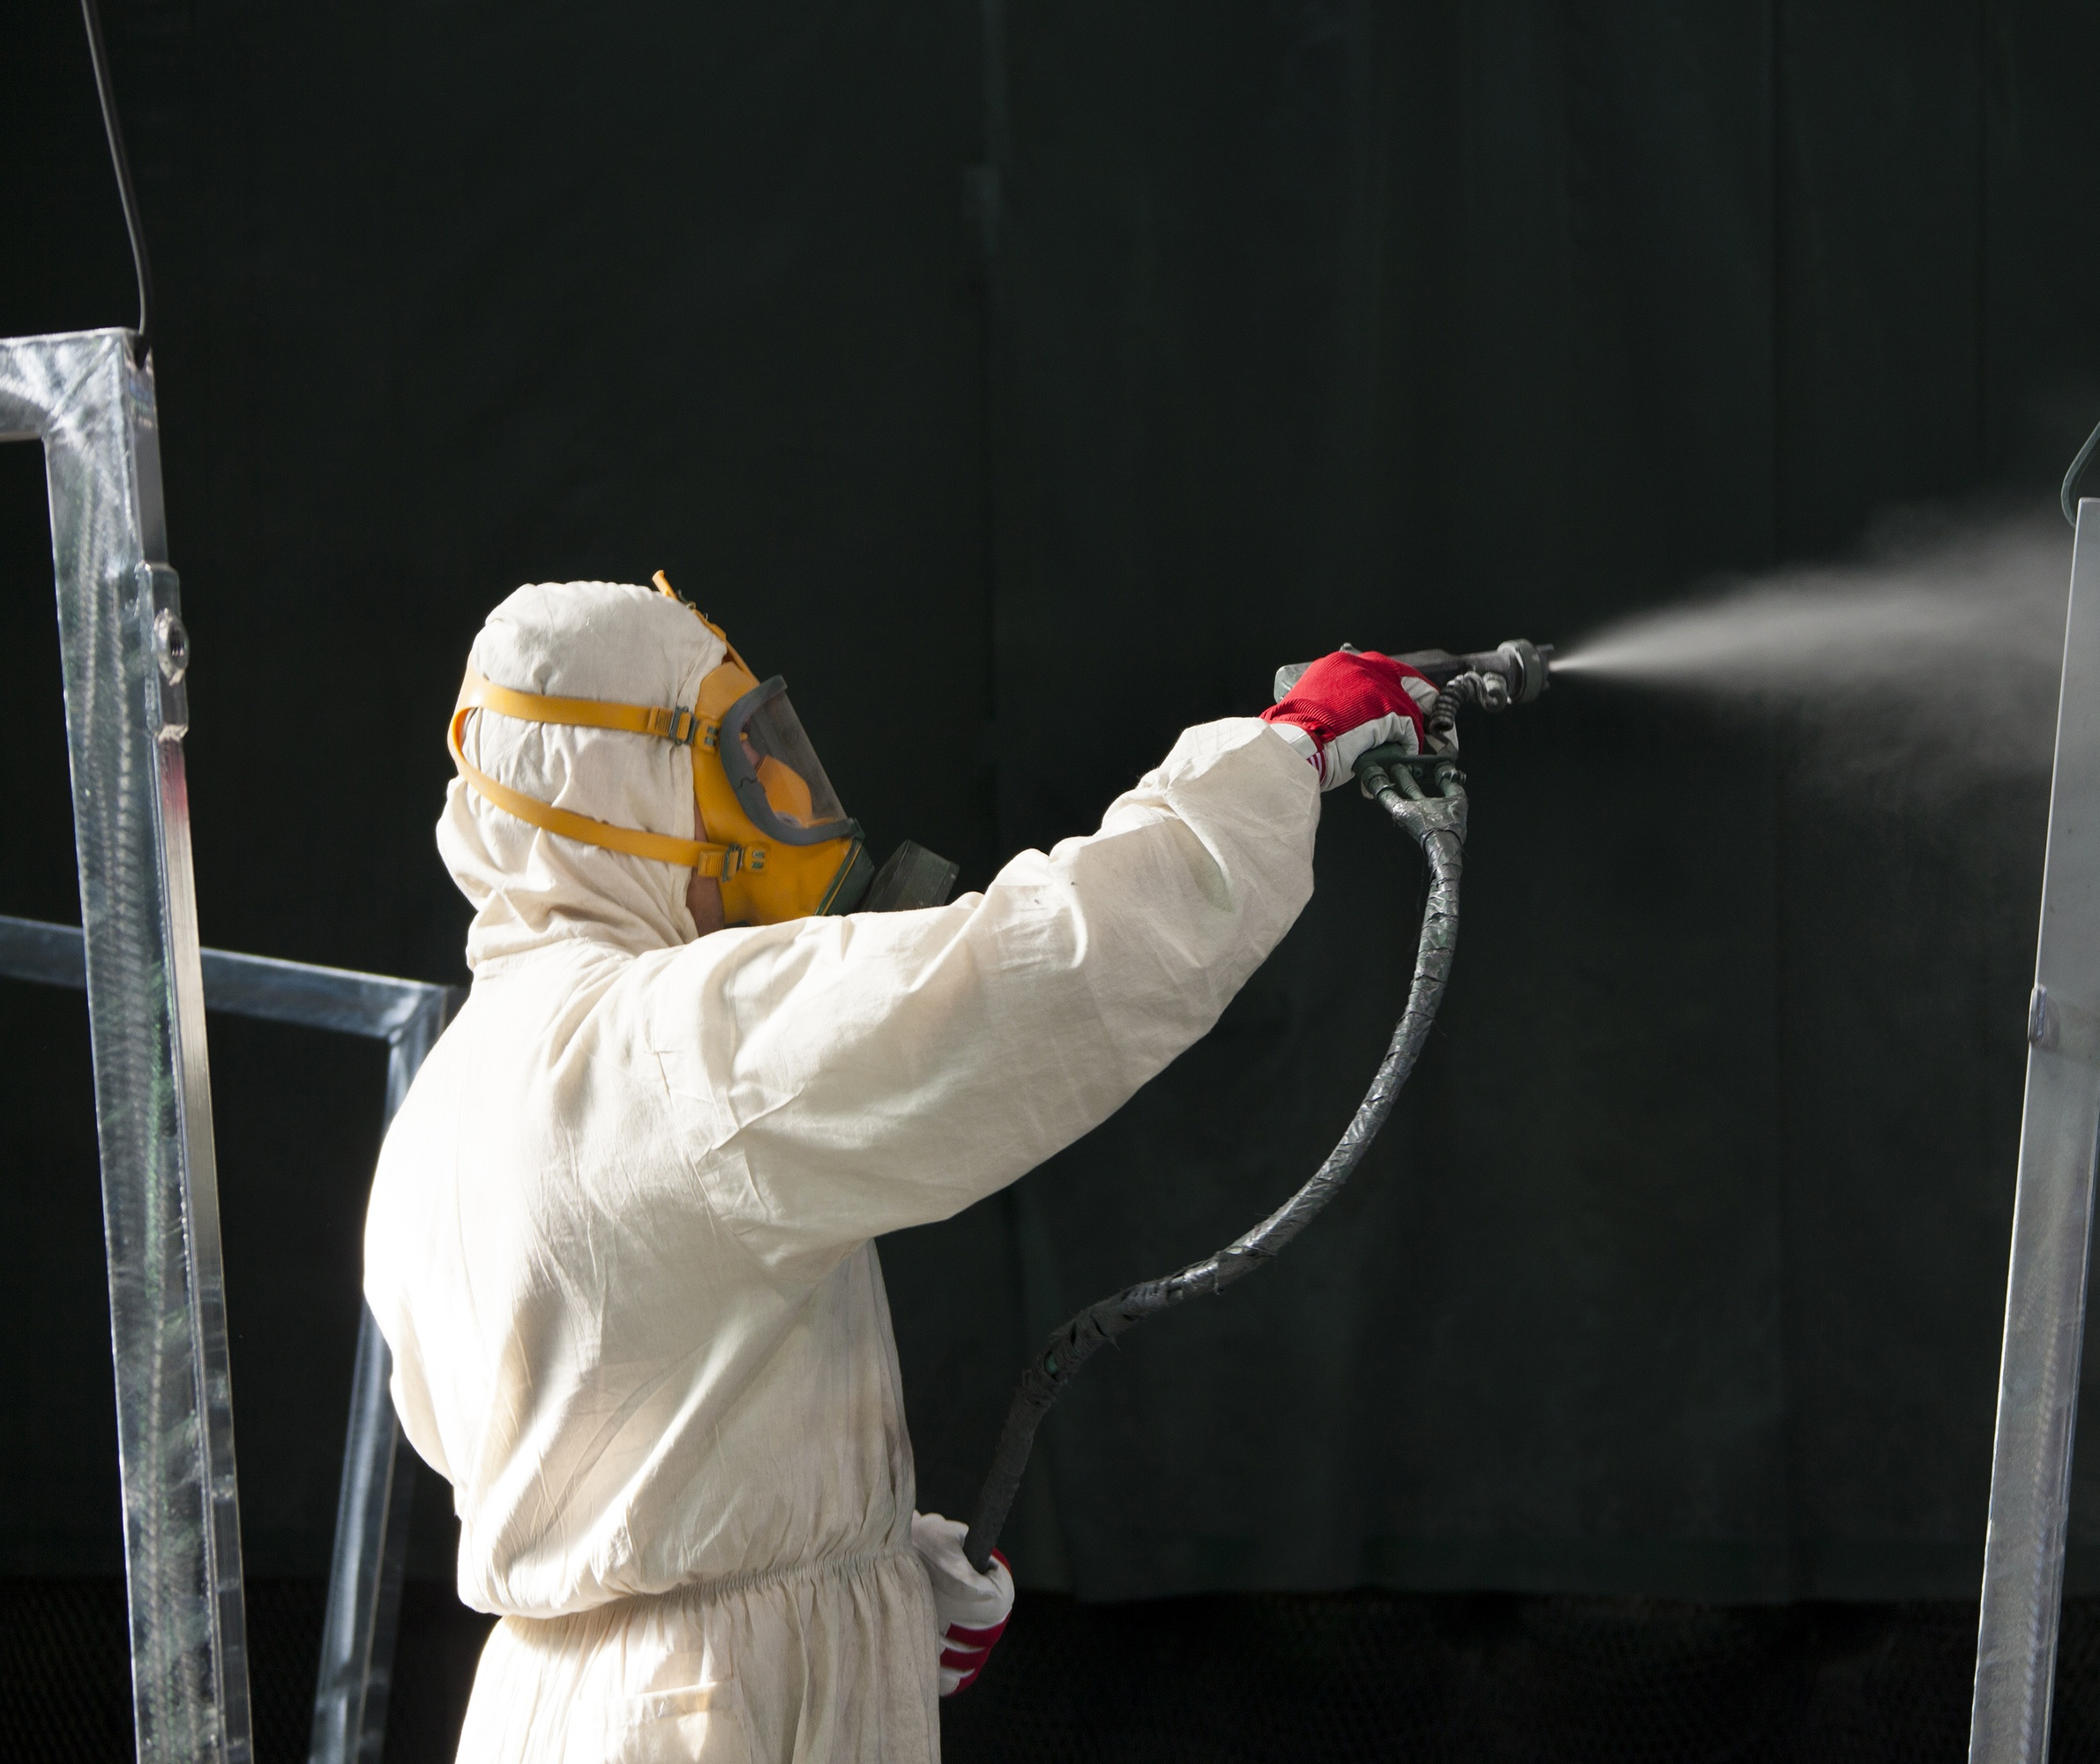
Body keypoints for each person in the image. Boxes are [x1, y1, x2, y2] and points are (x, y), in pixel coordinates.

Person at [362, 577, 1435, 1761]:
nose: (777, 796)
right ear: (621, 788)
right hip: (709, 1717)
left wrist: (861, 1569)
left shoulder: (451, 1099)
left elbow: (598, 1441)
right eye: (735, 762)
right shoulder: (668, 1041)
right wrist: (1280, 757)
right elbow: (1037, 977)